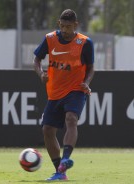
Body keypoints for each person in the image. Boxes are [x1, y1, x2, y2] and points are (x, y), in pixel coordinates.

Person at [33, 9, 95, 181]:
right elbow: (37, 60)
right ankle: (60, 171)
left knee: (71, 119)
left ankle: (66, 158)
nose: (65, 30)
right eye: (63, 26)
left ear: (76, 25)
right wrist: (41, 74)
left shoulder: (85, 43)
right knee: (47, 130)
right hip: (54, 92)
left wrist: (87, 83)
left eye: (69, 26)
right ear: (59, 24)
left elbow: (91, 68)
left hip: (76, 89)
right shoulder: (50, 39)